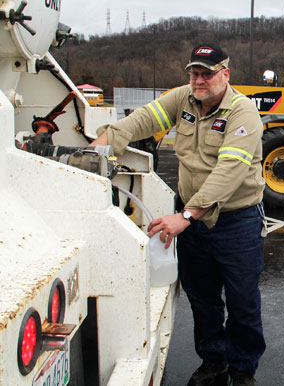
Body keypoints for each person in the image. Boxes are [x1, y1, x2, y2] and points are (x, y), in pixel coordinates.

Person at [91, 42, 266, 386]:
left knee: (243, 302)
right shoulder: (183, 98)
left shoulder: (242, 112)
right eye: (194, 73)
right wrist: (104, 143)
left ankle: (243, 370)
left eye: (207, 73)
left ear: (225, 75)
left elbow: (229, 172)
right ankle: (213, 361)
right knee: (202, 299)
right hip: (193, 219)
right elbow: (143, 119)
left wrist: (185, 217)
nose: (199, 81)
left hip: (236, 221)